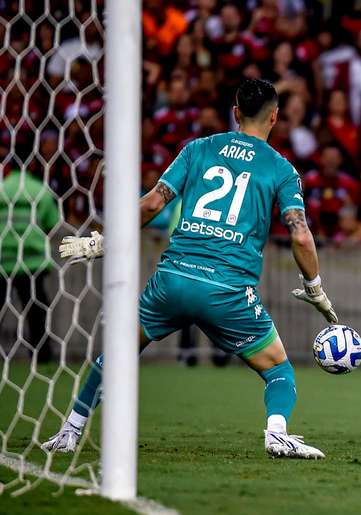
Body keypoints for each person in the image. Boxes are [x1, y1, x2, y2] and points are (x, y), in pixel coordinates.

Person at [42, 79, 337, 459]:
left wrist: (104, 241)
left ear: (235, 113)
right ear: (275, 117)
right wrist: (314, 287)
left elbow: (150, 204)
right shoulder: (281, 169)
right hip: (228, 291)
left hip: (174, 280)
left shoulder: (198, 149)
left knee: (116, 353)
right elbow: (300, 235)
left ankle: (70, 430)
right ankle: (277, 433)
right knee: (279, 368)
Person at [0, 167, 60, 363]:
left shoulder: (2, 188)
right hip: (31, 261)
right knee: (36, 312)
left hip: (3, 260)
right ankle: (42, 356)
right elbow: (53, 223)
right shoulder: (40, 190)